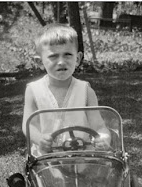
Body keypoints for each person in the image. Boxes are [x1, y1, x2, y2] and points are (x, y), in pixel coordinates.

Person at [22, 23, 109, 155]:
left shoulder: (86, 91)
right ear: (40, 62)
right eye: (53, 56)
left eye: (67, 54)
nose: (61, 62)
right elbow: (29, 125)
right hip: (47, 157)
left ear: (78, 59)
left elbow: (98, 126)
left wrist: (103, 138)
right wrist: (40, 139)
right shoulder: (33, 90)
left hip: (81, 155)